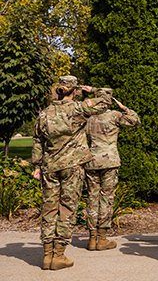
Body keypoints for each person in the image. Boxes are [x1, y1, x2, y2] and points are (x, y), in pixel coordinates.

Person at [31, 76, 109, 270]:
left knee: (49, 209)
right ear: (75, 90)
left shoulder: (45, 113)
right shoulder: (79, 108)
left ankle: (47, 255)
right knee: (67, 208)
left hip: (50, 166)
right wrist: (93, 90)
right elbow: (106, 100)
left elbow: (38, 140)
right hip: (72, 166)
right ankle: (58, 255)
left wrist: (37, 166)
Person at [84, 88, 140, 251]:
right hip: (109, 160)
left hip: (91, 160)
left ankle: (92, 238)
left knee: (92, 197)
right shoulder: (114, 115)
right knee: (106, 197)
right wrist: (124, 108)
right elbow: (134, 120)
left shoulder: (88, 117)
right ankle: (102, 238)